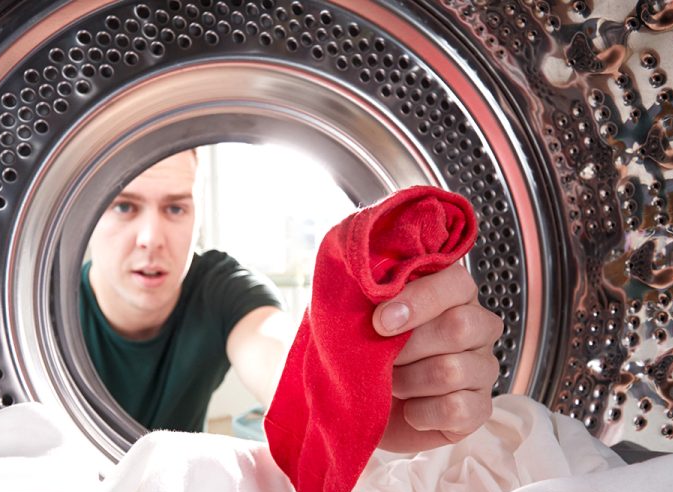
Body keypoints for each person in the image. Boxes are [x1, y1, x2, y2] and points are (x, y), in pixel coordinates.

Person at [79, 149, 504, 453]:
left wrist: (350, 397)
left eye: (175, 209)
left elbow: (273, 351)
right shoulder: (35, 312)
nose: (151, 238)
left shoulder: (222, 288)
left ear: (197, 213)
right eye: (124, 207)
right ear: (89, 215)